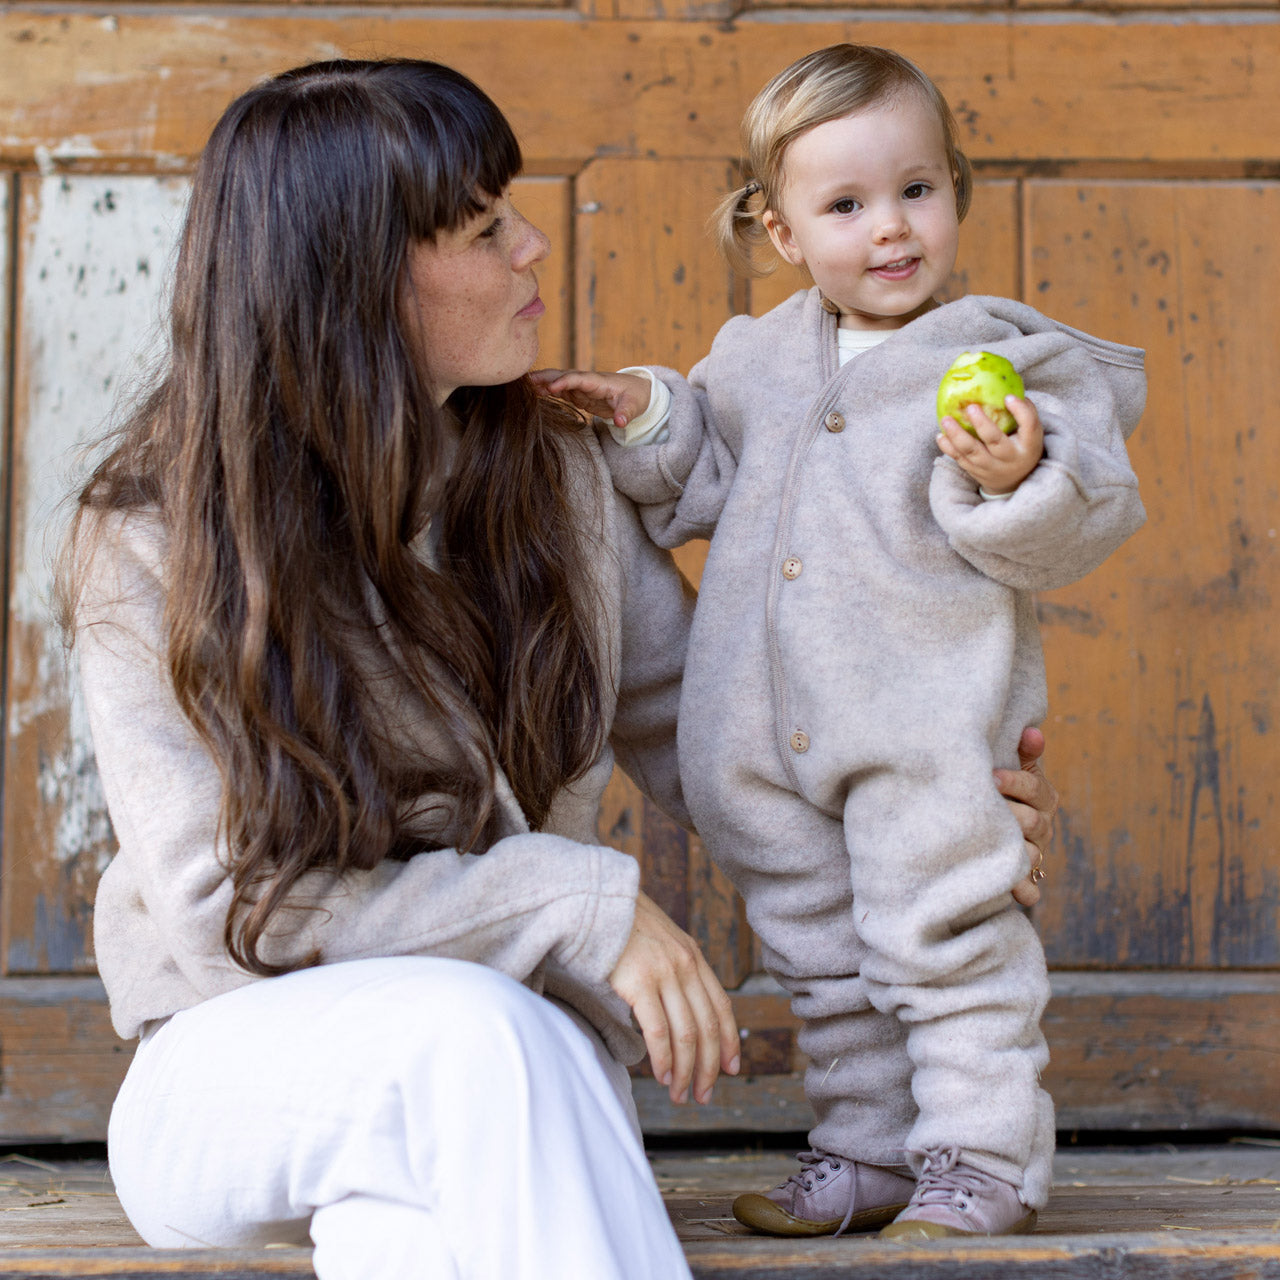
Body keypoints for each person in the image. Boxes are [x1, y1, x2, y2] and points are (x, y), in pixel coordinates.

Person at [57, 57, 1059, 1280]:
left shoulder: (556, 476)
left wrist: (925, 797)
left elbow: (737, 725)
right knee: (473, 1031)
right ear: (354, 280)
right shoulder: (154, 538)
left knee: (432, 1208)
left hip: (513, 1092)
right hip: (240, 1079)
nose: (533, 247)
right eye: (484, 229)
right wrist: (576, 903)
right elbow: (231, 915)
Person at [533, 43, 1145, 1242]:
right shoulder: (757, 358)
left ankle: (980, 1156)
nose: (890, 229)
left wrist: (1015, 472)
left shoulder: (1007, 360)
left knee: (943, 936)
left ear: (955, 189)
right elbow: (695, 478)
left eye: (917, 189)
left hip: (924, 725)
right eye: (846, 205)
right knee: (821, 954)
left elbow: (1079, 518)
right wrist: (644, 411)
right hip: (761, 738)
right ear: (779, 231)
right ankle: (865, 1148)